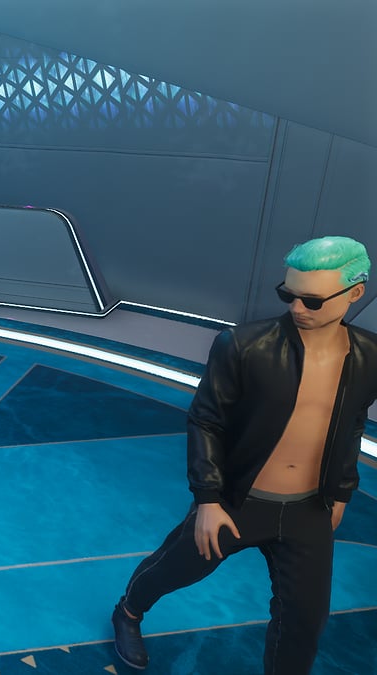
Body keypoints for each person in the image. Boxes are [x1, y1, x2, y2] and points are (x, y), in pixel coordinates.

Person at [110, 236, 377, 673]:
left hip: (309, 508)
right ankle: (128, 612)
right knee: (174, 569)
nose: (297, 308)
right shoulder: (244, 345)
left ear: (355, 293)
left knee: (304, 622)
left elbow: (351, 426)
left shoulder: (369, 357)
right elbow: (206, 421)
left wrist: (342, 491)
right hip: (237, 500)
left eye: (312, 301)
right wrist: (209, 500)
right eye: (288, 295)